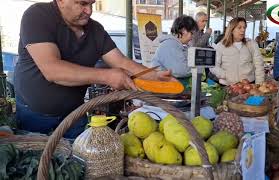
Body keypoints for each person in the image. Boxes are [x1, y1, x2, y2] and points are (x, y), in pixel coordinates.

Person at [14, 0, 175, 139]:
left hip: (74, 115)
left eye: (92, 3)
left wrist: (154, 75)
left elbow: (121, 62)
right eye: (82, 3)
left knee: (78, 166)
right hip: (34, 116)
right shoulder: (37, 16)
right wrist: (106, 76)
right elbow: (53, 70)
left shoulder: (95, 30)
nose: (89, 11)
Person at [210, 17, 265, 85]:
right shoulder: (221, 45)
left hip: (248, 85)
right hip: (227, 86)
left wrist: (259, 84)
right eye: (239, 28)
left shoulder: (251, 44)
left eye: (244, 27)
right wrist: (225, 75)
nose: (243, 30)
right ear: (232, 30)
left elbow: (259, 65)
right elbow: (213, 65)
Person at [152, 15, 198, 85]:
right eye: (191, 33)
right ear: (183, 30)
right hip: (162, 88)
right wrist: (198, 68)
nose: (192, 37)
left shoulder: (180, 45)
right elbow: (181, 71)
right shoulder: (170, 44)